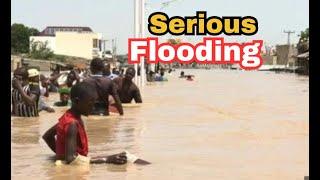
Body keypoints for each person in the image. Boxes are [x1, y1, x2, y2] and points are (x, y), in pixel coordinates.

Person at [42, 82, 150, 165]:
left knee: (126, 156)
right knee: (125, 160)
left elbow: (47, 136)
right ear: (77, 101)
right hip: (78, 163)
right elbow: (71, 159)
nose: (93, 107)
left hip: (82, 160)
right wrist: (106, 159)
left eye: (94, 102)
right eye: (90, 103)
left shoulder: (69, 117)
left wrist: (60, 154)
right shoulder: (72, 124)